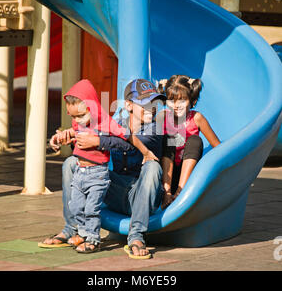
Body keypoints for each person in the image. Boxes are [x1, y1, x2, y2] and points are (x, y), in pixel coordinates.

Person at [39, 79, 157, 253]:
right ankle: (73, 228)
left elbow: (128, 144)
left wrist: (97, 140)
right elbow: (88, 129)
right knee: (71, 163)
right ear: (129, 106)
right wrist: (67, 136)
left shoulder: (156, 128)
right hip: (114, 189)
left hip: (139, 194)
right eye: (145, 103)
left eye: (154, 103)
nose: (151, 108)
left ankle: (136, 235)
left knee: (153, 167)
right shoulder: (112, 120)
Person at [158, 74, 220, 209]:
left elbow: (218, 148)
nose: (176, 106)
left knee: (195, 140)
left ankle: (180, 193)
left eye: (182, 100)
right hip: (167, 176)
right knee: (169, 139)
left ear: (193, 101)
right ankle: (166, 193)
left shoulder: (196, 118)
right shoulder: (162, 117)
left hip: (188, 179)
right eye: (171, 100)